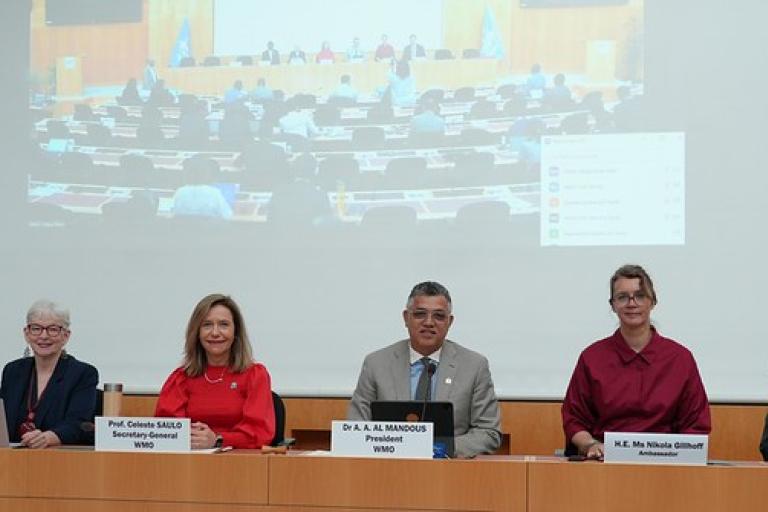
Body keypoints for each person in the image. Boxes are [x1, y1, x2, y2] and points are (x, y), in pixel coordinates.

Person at [561, 265, 711, 459]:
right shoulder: (592, 357)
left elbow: (696, 424)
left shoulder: (680, 359)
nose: (632, 303)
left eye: (640, 296)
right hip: (603, 465)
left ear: (653, 301)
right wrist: (591, 444)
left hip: (668, 467)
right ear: (613, 305)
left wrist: (680, 457)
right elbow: (574, 418)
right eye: (622, 297)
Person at [348, 281, 502, 458]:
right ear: (406, 318)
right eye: (420, 314)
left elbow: (489, 432)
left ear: (450, 322)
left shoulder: (473, 366)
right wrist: (395, 446)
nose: (429, 322)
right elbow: (356, 427)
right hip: (389, 470)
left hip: (450, 472)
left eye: (439, 316)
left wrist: (441, 448)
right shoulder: (377, 363)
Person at [155, 294, 275, 449]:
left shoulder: (255, 375)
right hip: (189, 465)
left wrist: (217, 439)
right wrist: (193, 438)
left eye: (224, 324)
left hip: (242, 465)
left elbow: (260, 433)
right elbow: (165, 431)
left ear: (235, 332)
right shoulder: (181, 378)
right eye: (207, 325)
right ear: (197, 332)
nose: (215, 332)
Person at [0, 300, 98, 448]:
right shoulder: (12, 371)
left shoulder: (83, 374)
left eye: (53, 329)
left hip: (58, 460)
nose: (44, 336)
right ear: (27, 334)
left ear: (65, 335)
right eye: (36, 328)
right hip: (12, 459)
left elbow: (80, 424)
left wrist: (48, 438)